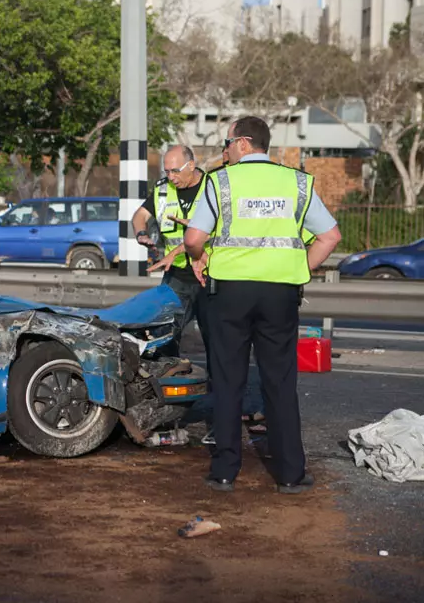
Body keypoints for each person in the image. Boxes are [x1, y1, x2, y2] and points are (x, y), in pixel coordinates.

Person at [184, 116, 341, 494]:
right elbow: (330, 236)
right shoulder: (297, 182)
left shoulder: (221, 181)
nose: (225, 148)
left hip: (230, 293)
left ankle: (224, 471)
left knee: (227, 381)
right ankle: (290, 473)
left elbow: (192, 238)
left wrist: (200, 257)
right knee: (280, 382)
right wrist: (299, 267)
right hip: (280, 294)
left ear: (243, 143)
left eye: (227, 141)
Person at [131, 145, 209, 359]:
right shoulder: (163, 190)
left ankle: (219, 387)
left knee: (215, 337)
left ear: (191, 165)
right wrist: (141, 234)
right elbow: (139, 216)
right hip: (176, 276)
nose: (171, 177)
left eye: (175, 171)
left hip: (209, 274)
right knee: (163, 333)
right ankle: (167, 380)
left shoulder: (213, 188)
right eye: (167, 171)